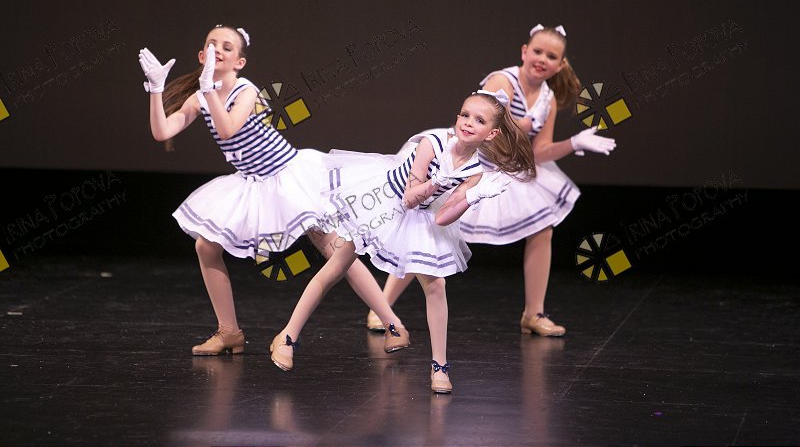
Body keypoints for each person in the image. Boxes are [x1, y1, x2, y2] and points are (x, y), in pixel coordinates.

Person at [138, 24, 409, 356]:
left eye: (226, 47)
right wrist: (156, 89)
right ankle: (229, 332)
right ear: (201, 55)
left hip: (289, 176)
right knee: (206, 246)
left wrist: (208, 90)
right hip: (253, 183)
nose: (218, 49)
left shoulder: (246, 90)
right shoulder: (199, 98)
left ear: (239, 62)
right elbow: (163, 131)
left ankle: (393, 324)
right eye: (211, 44)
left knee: (335, 248)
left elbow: (227, 129)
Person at [270, 90, 536, 395]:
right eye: (465, 115)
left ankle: (439, 365)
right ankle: (287, 337)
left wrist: (472, 196)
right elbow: (409, 198)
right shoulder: (432, 143)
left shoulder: (474, 171)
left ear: (491, 133)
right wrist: (440, 180)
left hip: (422, 216)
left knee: (436, 286)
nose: (468, 123)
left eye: (479, 120)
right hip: (384, 200)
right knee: (338, 264)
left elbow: (443, 217)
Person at [364, 24, 616, 337]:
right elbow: (493, 135)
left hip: (501, 168)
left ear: (560, 65)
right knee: (425, 230)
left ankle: (534, 313)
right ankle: (382, 307)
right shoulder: (503, 82)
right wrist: (525, 124)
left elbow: (537, 153)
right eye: (537, 51)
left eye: (551, 56)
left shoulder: (547, 99)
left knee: (542, 228)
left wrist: (574, 143)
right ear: (524, 52)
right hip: (465, 163)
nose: (542, 59)